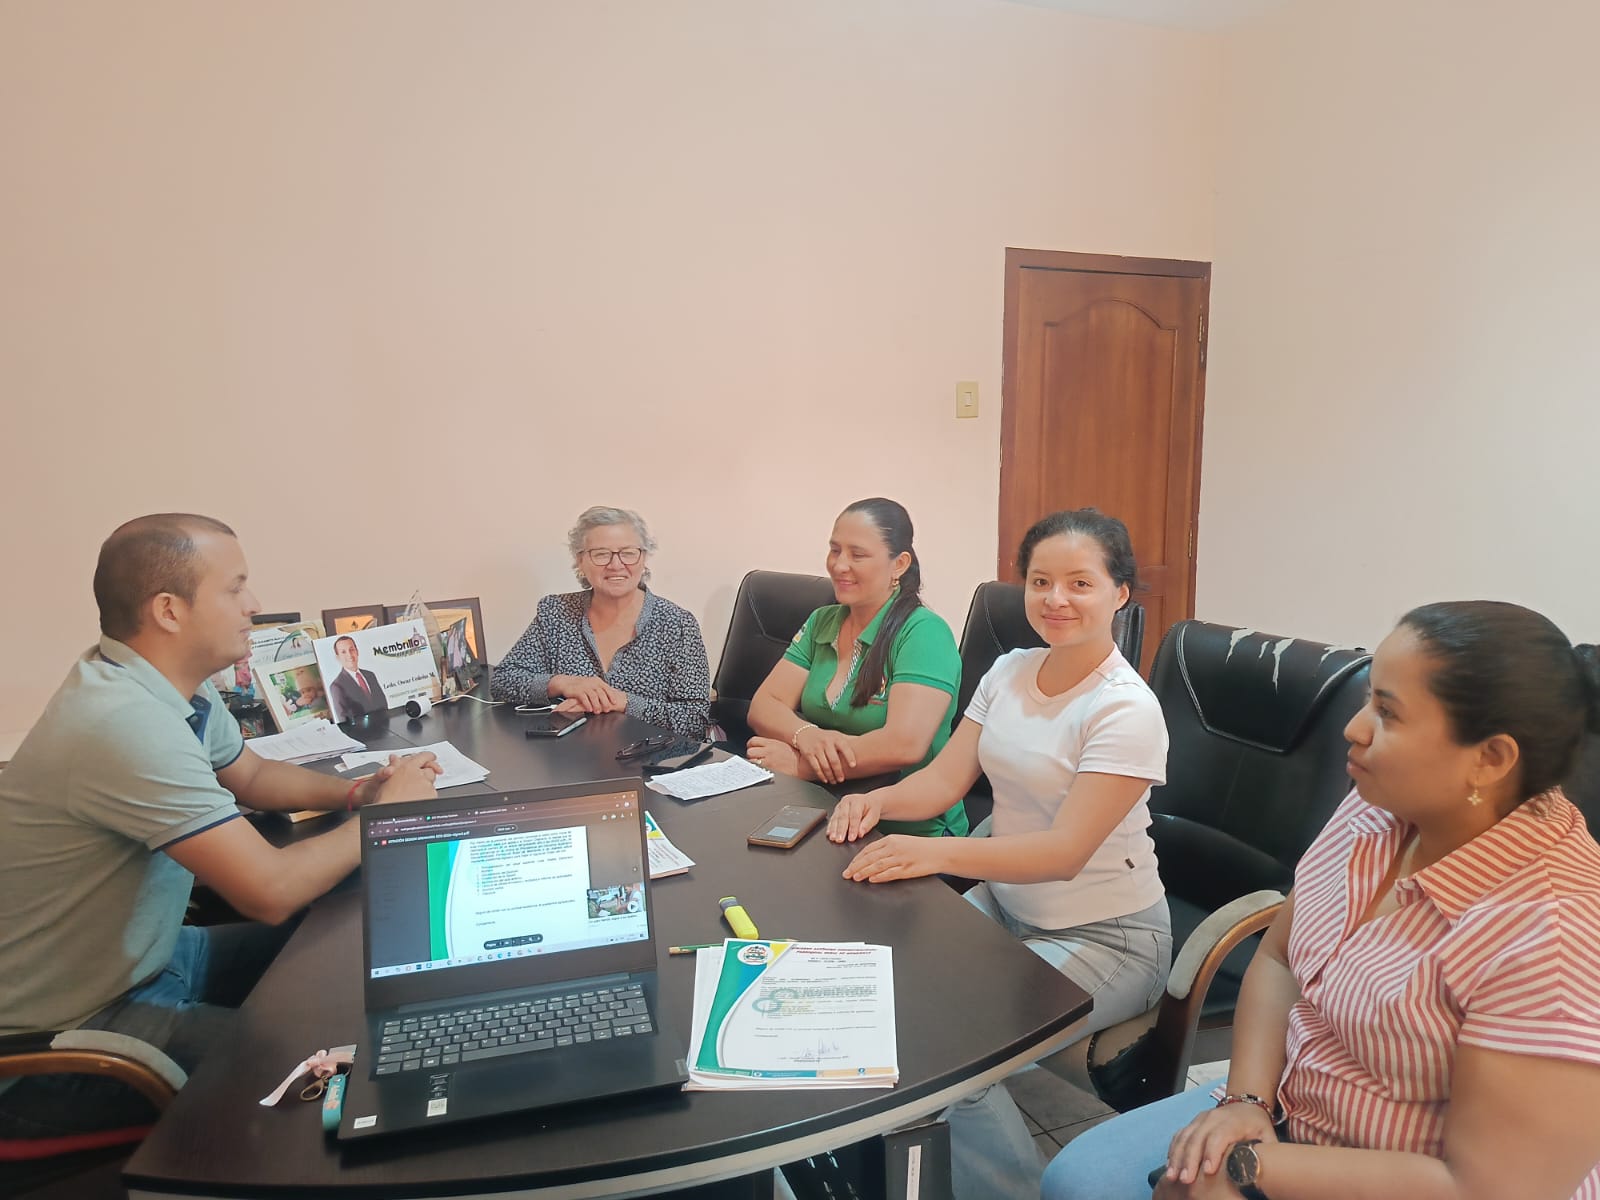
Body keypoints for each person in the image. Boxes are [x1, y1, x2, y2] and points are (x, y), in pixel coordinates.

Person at [1043, 600, 1600, 1200]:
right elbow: (1280, 958)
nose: (1354, 728)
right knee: (1076, 1178)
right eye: (1369, 698)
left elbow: (1487, 1188)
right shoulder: (1379, 803)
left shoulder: (1552, 939)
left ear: (1490, 759)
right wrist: (1246, 1103)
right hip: (1293, 1108)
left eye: (1387, 713)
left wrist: (1246, 1170)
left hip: (1402, 1179)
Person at [0, 514, 441, 1138]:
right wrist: (384, 815)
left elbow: (251, 775)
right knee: (340, 1068)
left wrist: (356, 793)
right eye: (235, 588)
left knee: (351, 941)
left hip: (148, 960)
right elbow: (270, 891)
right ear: (169, 611)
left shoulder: (162, 684)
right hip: (61, 1038)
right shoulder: (123, 722)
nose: (253, 605)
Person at [827, 508, 1170, 1197]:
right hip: (1007, 907)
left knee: (950, 1060)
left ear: (1120, 593)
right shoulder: (1011, 669)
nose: (1056, 599)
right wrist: (878, 802)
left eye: (1080, 583)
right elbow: (944, 781)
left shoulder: (1124, 709)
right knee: (880, 1004)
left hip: (1105, 937)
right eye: (1040, 581)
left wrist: (938, 856)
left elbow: (1064, 853)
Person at [746, 497, 965, 835]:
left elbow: (904, 744)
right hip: (823, 812)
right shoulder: (822, 620)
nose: (839, 565)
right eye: (835, 550)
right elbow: (765, 704)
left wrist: (804, 766)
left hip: (905, 830)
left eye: (857, 555)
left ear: (899, 564)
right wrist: (807, 735)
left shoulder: (924, 632)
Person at [491, 506, 709, 738]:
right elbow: (503, 681)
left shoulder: (677, 624)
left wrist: (622, 702)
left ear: (644, 558)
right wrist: (563, 683)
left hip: (648, 755)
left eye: (628, 553)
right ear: (580, 561)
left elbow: (694, 720)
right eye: (601, 554)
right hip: (570, 754)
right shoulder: (556, 613)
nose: (616, 565)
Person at [328, 635, 388, 717]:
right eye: (343, 652)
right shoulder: (337, 686)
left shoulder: (370, 675)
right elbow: (344, 718)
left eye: (351, 650)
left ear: (357, 652)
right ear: (338, 657)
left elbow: (383, 703)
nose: (349, 655)